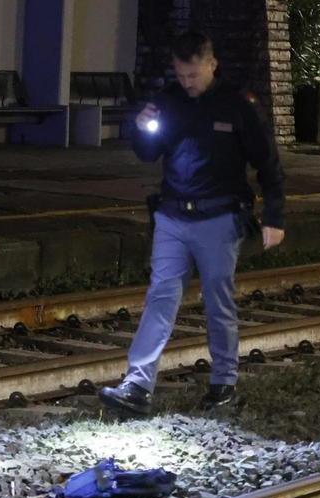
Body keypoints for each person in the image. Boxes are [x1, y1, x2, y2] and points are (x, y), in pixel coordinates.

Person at [99, 31, 285, 416]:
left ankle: (223, 381)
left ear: (211, 64)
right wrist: (141, 127)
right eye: (181, 76)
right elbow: (148, 153)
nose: (187, 83)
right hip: (172, 215)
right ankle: (137, 384)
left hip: (219, 217)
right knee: (161, 296)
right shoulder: (168, 102)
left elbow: (267, 162)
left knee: (218, 298)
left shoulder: (237, 105)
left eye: (193, 75)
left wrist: (274, 216)